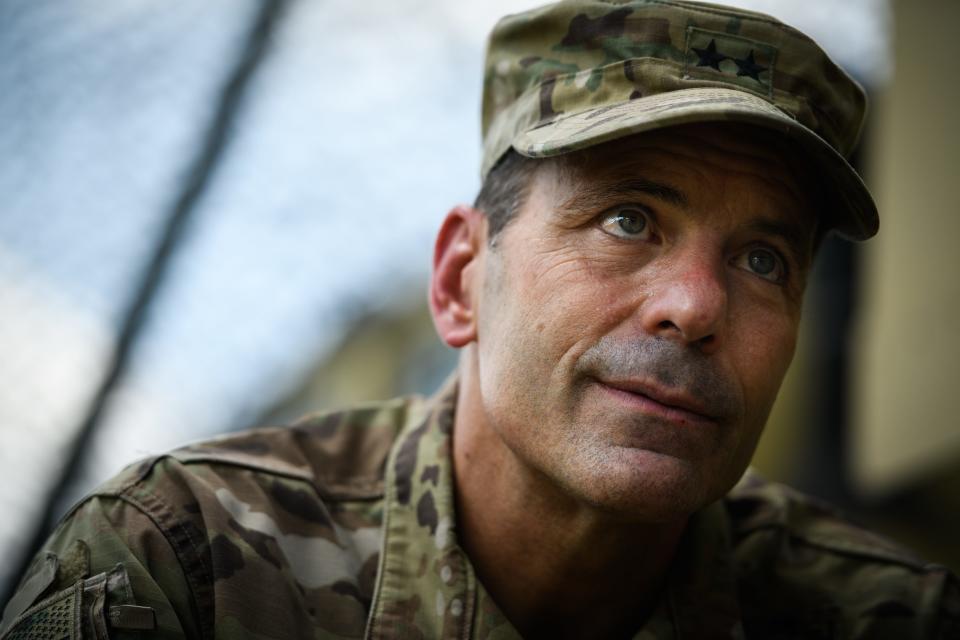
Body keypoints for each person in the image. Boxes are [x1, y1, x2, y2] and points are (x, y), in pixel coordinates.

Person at [2, 1, 958, 638]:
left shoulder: (882, 618)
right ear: (463, 279)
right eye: (628, 220)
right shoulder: (189, 570)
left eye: (763, 259)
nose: (698, 306)